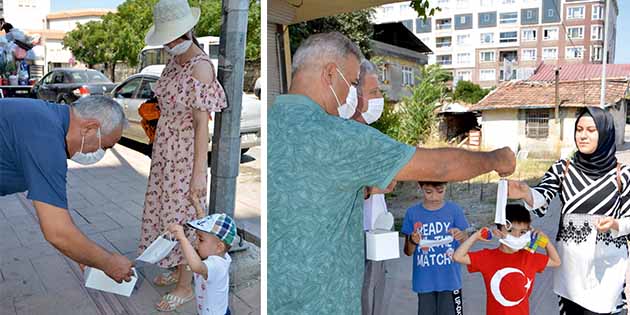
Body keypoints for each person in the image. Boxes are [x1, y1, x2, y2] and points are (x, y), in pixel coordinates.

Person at [267, 31, 516, 314]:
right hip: (322, 305)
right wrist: (496, 158)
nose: (352, 95)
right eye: (350, 83)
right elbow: (441, 166)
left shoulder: (271, 124)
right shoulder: (338, 135)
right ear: (329, 74)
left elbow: (303, 190)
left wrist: (364, 189)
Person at [139, 0, 227, 311]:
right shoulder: (173, 63)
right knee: (167, 212)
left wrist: (199, 172)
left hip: (185, 154)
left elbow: (203, 124)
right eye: (167, 37)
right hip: (166, 152)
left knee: (185, 217)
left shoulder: (201, 67)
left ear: (189, 30)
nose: (171, 43)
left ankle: (185, 284)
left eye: (175, 36)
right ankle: (178, 267)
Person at [507, 107, 630, 314]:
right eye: (579, 129)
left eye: (591, 130)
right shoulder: (562, 168)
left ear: (605, 133)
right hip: (570, 273)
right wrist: (526, 193)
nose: (583, 135)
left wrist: (615, 224)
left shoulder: (623, 174)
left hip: (607, 272)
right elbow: (542, 197)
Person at [0, 96, 133, 283]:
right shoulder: (47, 142)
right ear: (89, 128)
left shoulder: (46, 119)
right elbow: (58, 232)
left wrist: (82, 253)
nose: (101, 152)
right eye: (106, 146)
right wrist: (109, 263)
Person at [453, 204, 561, 315]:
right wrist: (475, 236)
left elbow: (556, 261)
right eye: (510, 231)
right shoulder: (487, 257)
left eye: (522, 232)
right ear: (498, 231)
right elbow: (458, 256)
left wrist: (545, 241)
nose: (517, 236)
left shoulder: (529, 257)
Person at [351, 59, 392, 315]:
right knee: (362, 296)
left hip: (379, 226)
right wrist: (370, 189)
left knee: (377, 293)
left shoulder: (372, 135)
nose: (379, 99)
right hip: (359, 233)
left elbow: (390, 179)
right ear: (354, 96)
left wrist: (377, 186)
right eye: (374, 92)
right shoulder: (345, 135)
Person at [401, 182, 468, 315]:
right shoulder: (412, 213)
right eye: (428, 192)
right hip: (424, 281)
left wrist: (461, 236)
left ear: (446, 187)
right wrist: (413, 241)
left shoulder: (454, 210)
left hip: (450, 280)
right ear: (420, 188)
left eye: (440, 191)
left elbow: (465, 242)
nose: (434, 197)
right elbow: (408, 252)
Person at [167, 213, 235, 315]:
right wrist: (197, 205)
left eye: (200, 239)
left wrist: (183, 239)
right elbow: (207, 232)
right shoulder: (219, 255)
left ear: (219, 247)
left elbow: (196, 266)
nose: (196, 242)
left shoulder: (217, 265)